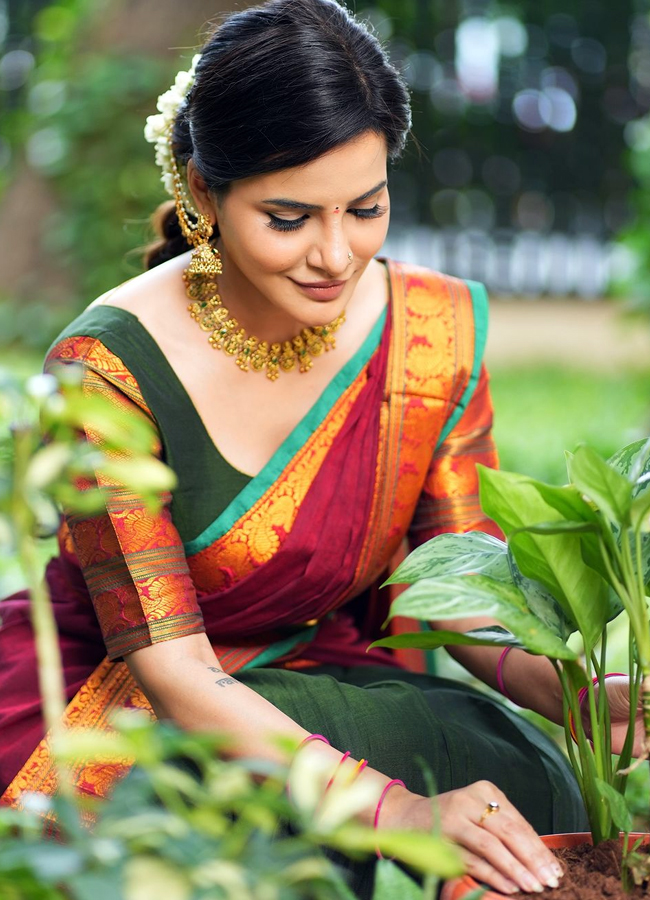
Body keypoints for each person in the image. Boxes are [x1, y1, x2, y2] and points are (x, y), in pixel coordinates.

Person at [0, 1, 640, 896]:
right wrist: (397, 813)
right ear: (200, 191)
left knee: (531, 775)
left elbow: (452, 585)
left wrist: (575, 692)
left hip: (322, 676)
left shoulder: (432, 332)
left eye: (367, 208)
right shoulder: (107, 368)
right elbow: (174, 671)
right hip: (137, 703)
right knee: (185, 815)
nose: (336, 257)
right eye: (289, 217)